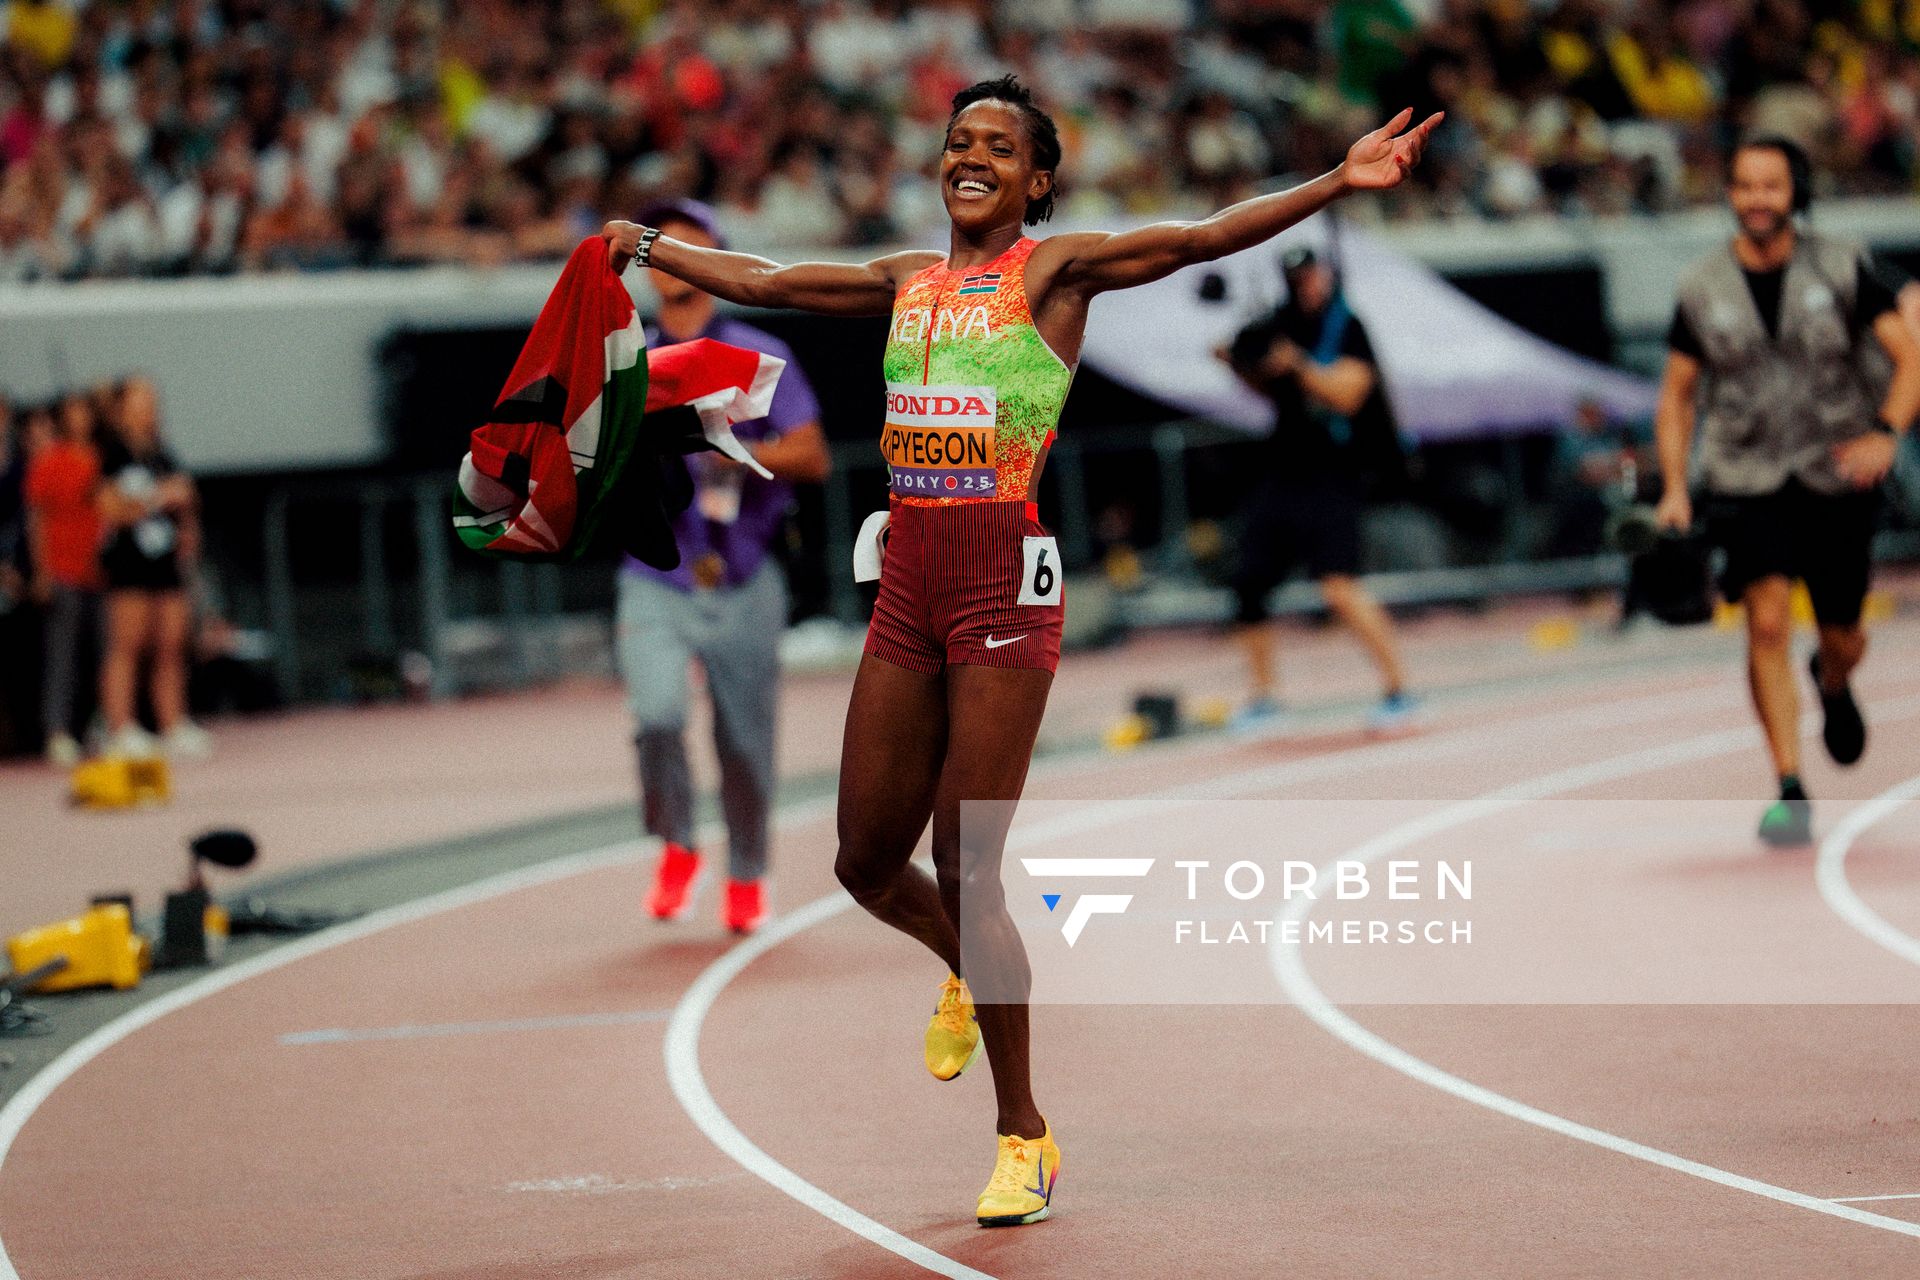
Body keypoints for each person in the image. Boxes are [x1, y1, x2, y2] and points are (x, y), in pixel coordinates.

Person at [604, 76, 1438, 1226]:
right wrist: (650, 247)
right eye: (958, 140)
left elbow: (1197, 234)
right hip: (907, 590)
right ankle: (963, 961)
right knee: (859, 860)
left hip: (1006, 590)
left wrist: (1335, 182)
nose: (972, 155)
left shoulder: (1053, 273)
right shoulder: (906, 279)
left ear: (1035, 179)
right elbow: (772, 282)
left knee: (971, 858)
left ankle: (1024, 1132)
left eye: (999, 144)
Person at [1654, 136, 1920, 846]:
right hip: (1745, 475)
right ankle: (1790, 788)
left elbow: (1909, 354)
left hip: (1836, 472)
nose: (1757, 200)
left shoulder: (1843, 265)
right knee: (1765, 620)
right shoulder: (1701, 286)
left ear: (1795, 194)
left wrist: (1887, 432)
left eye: (1771, 187)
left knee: (1845, 632)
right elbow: (1677, 396)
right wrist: (1676, 487)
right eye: (1744, 186)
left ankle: (1832, 682)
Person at [618, 198, 829, 936]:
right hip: (656, 573)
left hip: (744, 572)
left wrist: (734, 450)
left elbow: (812, 454)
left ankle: (746, 873)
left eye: (690, 242)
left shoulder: (757, 351)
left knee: (744, 739)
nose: (672, 253)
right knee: (656, 717)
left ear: (715, 257)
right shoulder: (626, 358)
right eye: (659, 245)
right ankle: (676, 844)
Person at [1218, 244, 1419, 734]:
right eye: (1296, 278)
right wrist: (1241, 364)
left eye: (1310, 275)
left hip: (1335, 470)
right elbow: (1267, 384)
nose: (1305, 285)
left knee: (1338, 584)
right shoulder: (1280, 321)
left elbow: (1347, 395)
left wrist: (1296, 364)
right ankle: (1264, 698)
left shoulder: (1348, 326)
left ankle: (1400, 690)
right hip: (1284, 466)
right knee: (1249, 583)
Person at [96, 375, 211, 760]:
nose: (149, 407)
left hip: (165, 561)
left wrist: (188, 523)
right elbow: (111, 508)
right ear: (121, 407)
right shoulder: (111, 453)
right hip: (130, 563)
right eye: (140, 399)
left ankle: (172, 723)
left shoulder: (161, 452)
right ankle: (120, 726)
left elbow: (186, 498)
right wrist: (161, 497)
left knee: (170, 646)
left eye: (152, 399)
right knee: (127, 646)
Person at [23, 392, 105, 764]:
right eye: (73, 412)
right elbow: (36, 519)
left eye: (85, 410)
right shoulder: (49, 461)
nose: (80, 418)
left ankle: (95, 726)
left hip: (102, 573)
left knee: (101, 654)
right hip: (63, 569)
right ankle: (56, 731)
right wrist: (41, 571)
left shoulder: (102, 457)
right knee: (62, 656)